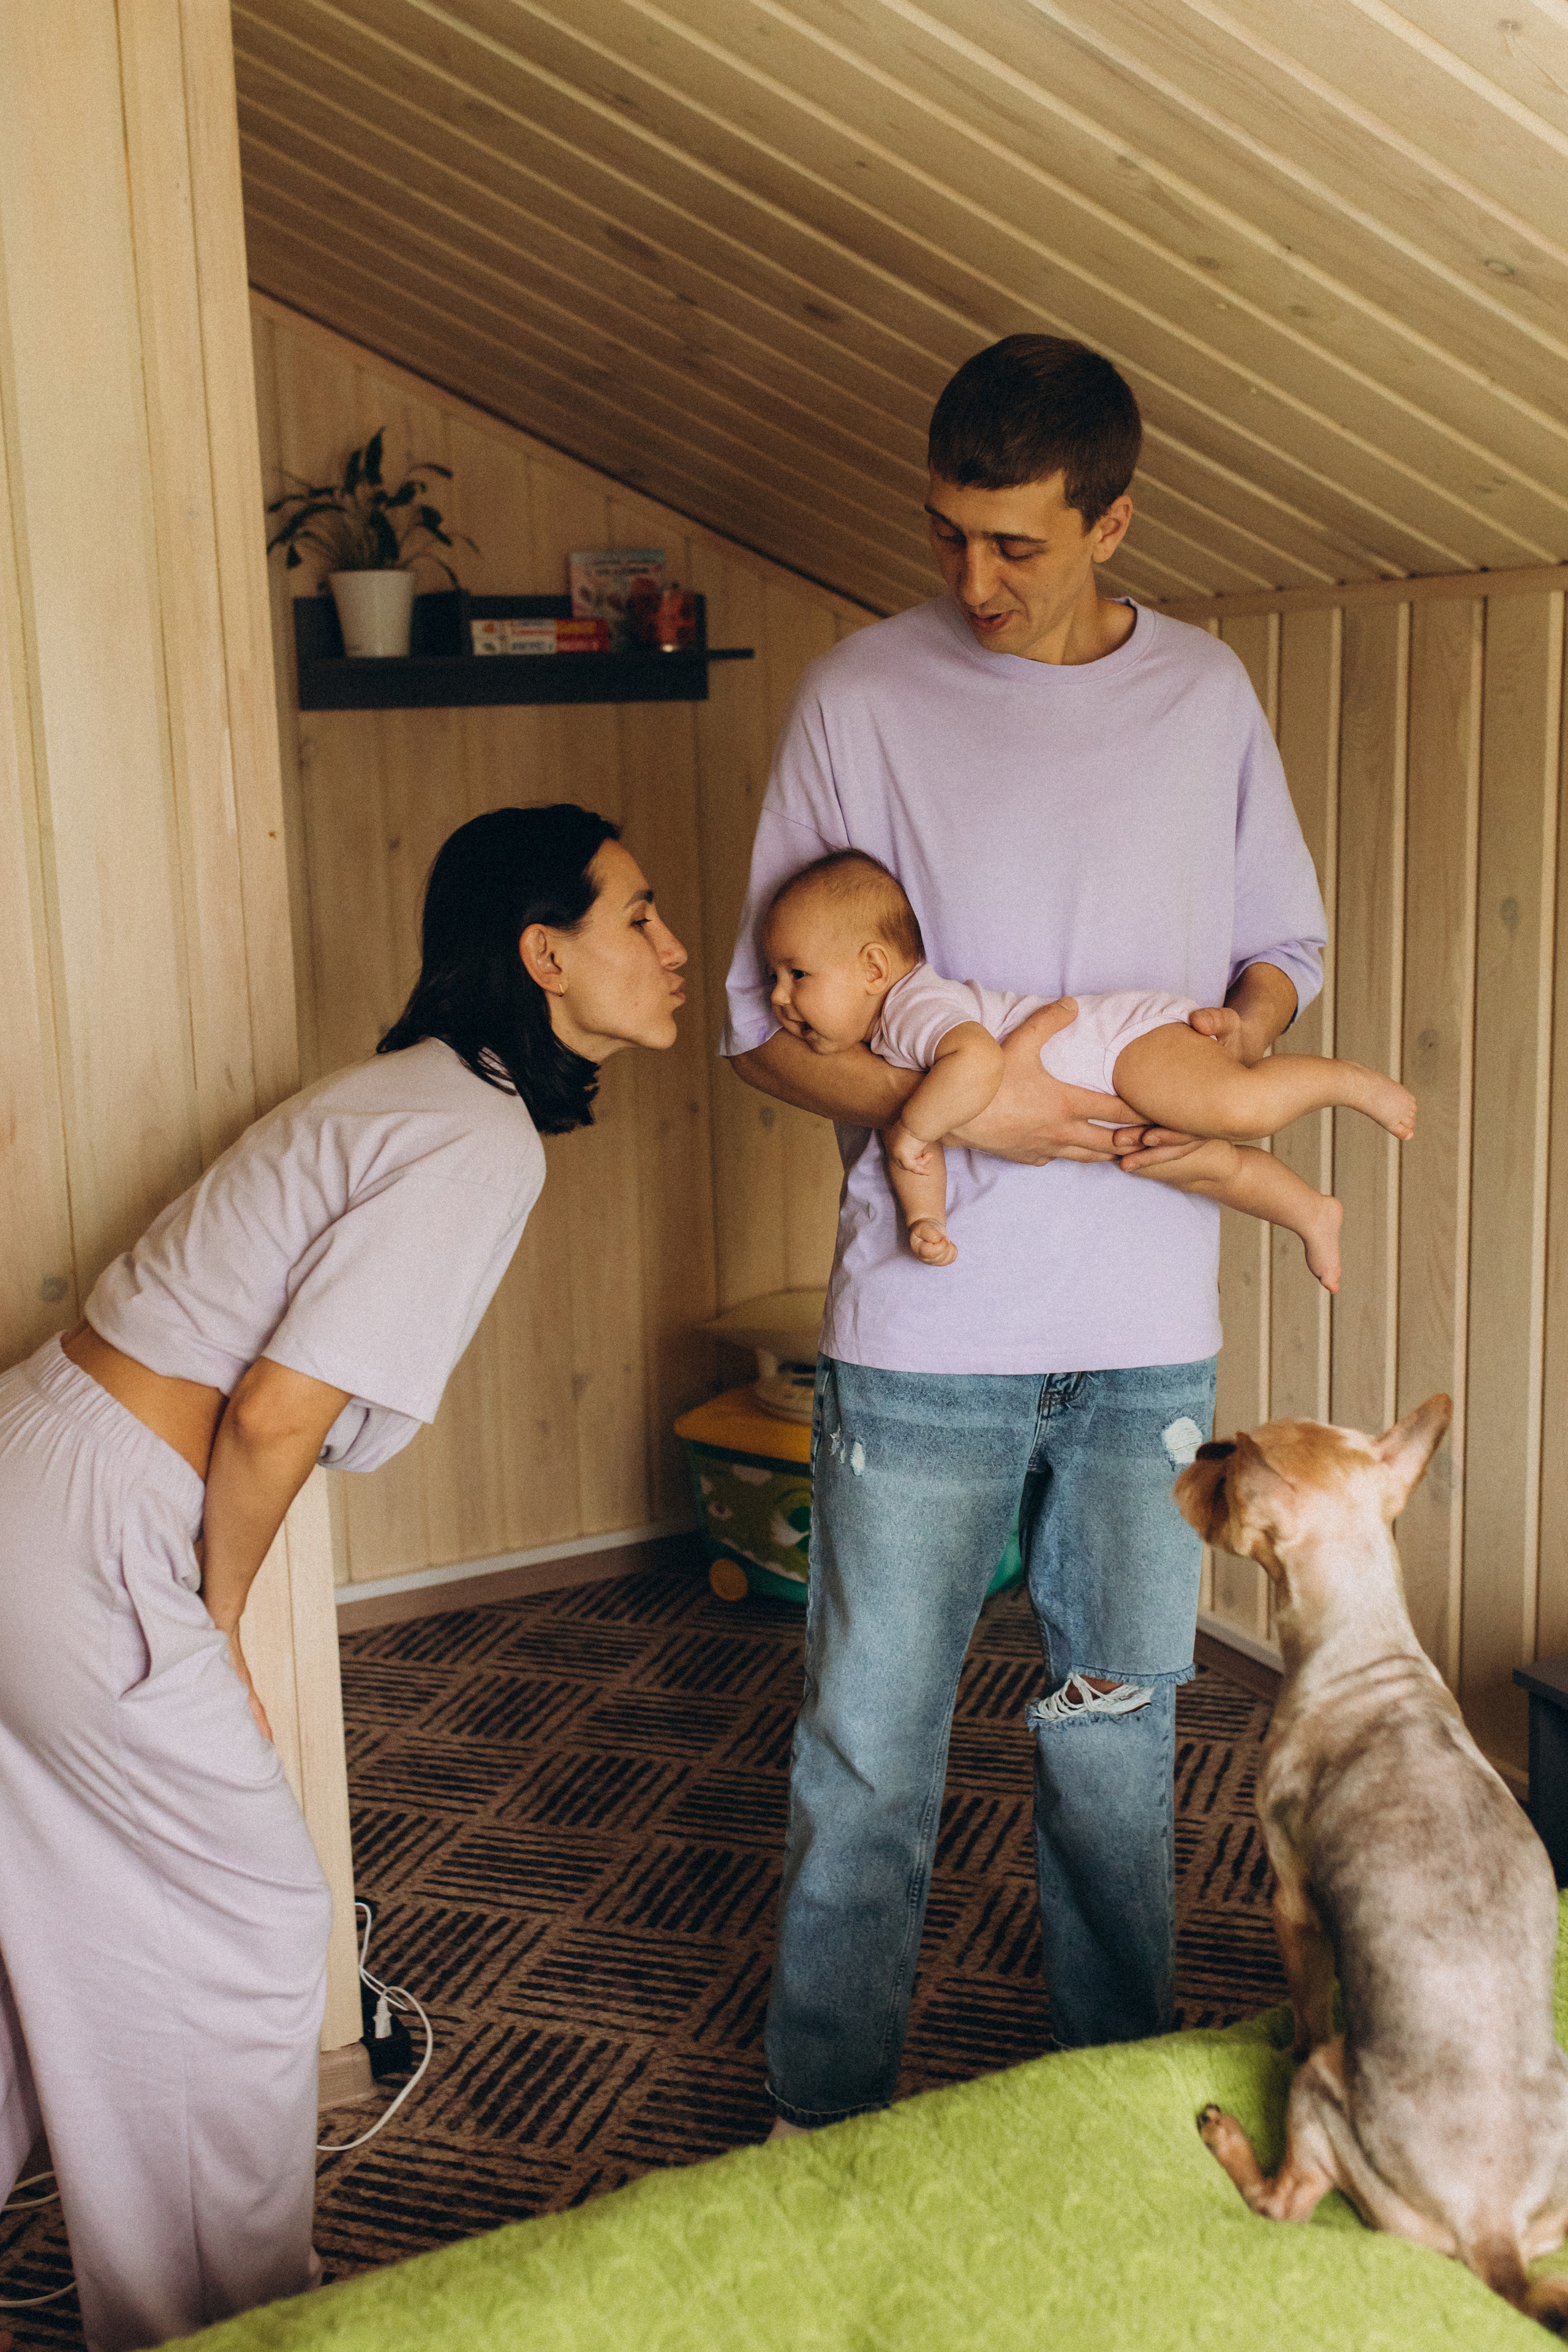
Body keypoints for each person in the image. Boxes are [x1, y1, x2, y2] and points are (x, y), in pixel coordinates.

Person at [722, 333, 1327, 2132]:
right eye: (944, 537)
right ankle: (814, 2131)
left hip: (1146, 1317)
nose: (970, 582)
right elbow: (769, 1030)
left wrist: (1250, 1033)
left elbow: (1281, 947)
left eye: (1015, 545)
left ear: (1112, 517)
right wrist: (967, 1108)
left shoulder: (1206, 692)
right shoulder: (856, 694)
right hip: (927, 1322)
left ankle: (1106, 2105)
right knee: (865, 1750)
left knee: (1118, 1732)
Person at [0, 804, 687, 2351]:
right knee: (251, 1918)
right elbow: (275, 1413)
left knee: (49, 1897)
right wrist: (214, 1614)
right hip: (95, 1511)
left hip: (37, 1460)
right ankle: (216, 2321)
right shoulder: (471, 1135)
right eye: (638, 914)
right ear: (543, 952)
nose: (672, 946)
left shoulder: (421, 1091)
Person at [763, 850, 1412, 1292]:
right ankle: (1310, 1212)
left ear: (874, 968)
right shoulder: (885, 1041)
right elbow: (920, 1153)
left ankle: (1347, 1080)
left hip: (1119, 1048)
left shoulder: (913, 1008)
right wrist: (923, 1221)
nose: (778, 998)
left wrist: (910, 1126)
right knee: (1213, 1168)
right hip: (1107, 1099)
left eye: (797, 975)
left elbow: (975, 1063)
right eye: (773, 978)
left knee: (1241, 1109)